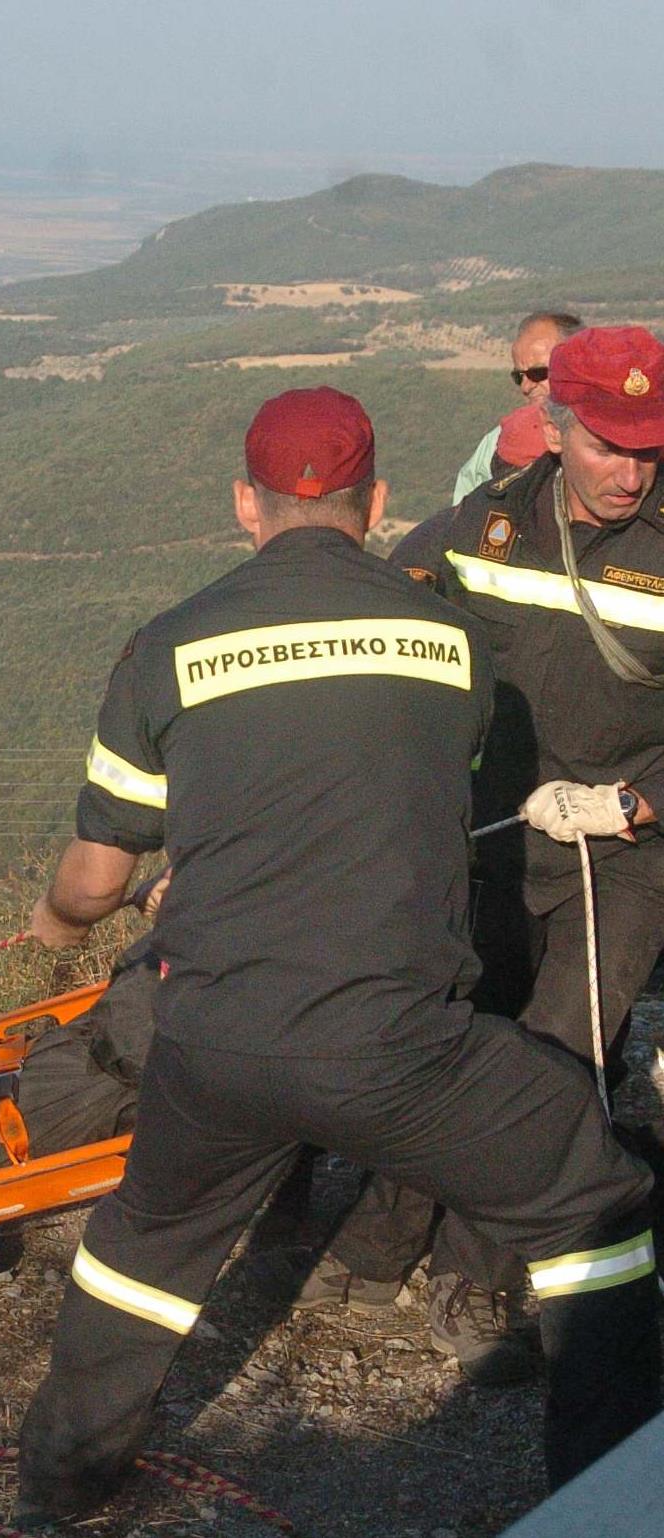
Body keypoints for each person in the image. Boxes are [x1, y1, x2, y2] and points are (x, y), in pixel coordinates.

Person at [14, 387, 657, 1522]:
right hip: (395, 1044)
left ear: (239, 506)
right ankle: (606, 1485)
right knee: (584, 1189)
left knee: (139, 1250)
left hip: (212, 1038)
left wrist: (59, 924)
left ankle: (58, 1485)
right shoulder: (451, 645)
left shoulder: (163, 646)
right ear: (373, 504)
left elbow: (95, 876)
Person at [314, 325, 664, 1376]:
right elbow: (385, 615)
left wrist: (637, 804)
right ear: (553, 427)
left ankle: (477, 1280)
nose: (629, 470)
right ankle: (378, 1242)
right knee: (452, 1042)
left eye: (647, 445)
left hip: (624, 854)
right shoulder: (485, 525)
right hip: (494, 838)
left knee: (553, 1060)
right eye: (607, 443)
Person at [450, 312, 582, 504]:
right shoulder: (496, 442)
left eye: (538, 373)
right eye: (519, 377)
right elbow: (462, 520)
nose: (525, 387)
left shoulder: (615, 431)